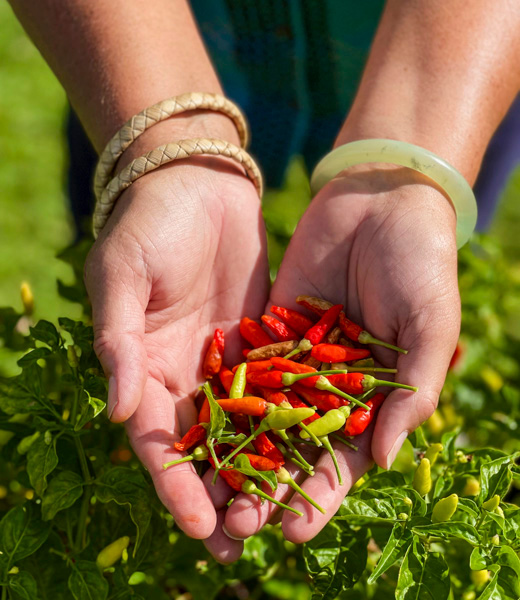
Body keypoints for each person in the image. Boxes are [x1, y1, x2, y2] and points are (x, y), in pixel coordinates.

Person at [8, 0, 520, 564]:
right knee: (124, 280)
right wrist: (164, 151)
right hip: (134, 41)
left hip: (460, 52)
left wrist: (411, 173)